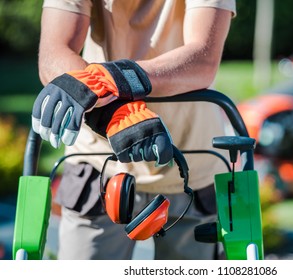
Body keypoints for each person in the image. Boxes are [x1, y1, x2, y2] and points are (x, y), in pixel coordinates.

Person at [33, 0, 236, 260]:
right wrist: (116, 114)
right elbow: (54, 53)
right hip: (99, 164)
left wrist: (114, 79)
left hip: (191, 166)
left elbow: (202, 59)